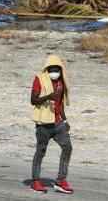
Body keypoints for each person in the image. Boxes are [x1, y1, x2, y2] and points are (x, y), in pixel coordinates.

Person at [29, 54, 72, 194]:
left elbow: (60, 102)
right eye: (52, 69)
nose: (55, 72)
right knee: (41, 151)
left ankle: (61, 180)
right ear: (47, 69)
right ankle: (35, 181)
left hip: (57, 121)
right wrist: (48, 96)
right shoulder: (39, 79)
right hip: (43, 122)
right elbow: (33, 100)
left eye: (57, 70)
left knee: (67, 147)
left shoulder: (61, 82)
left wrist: (65, 120)